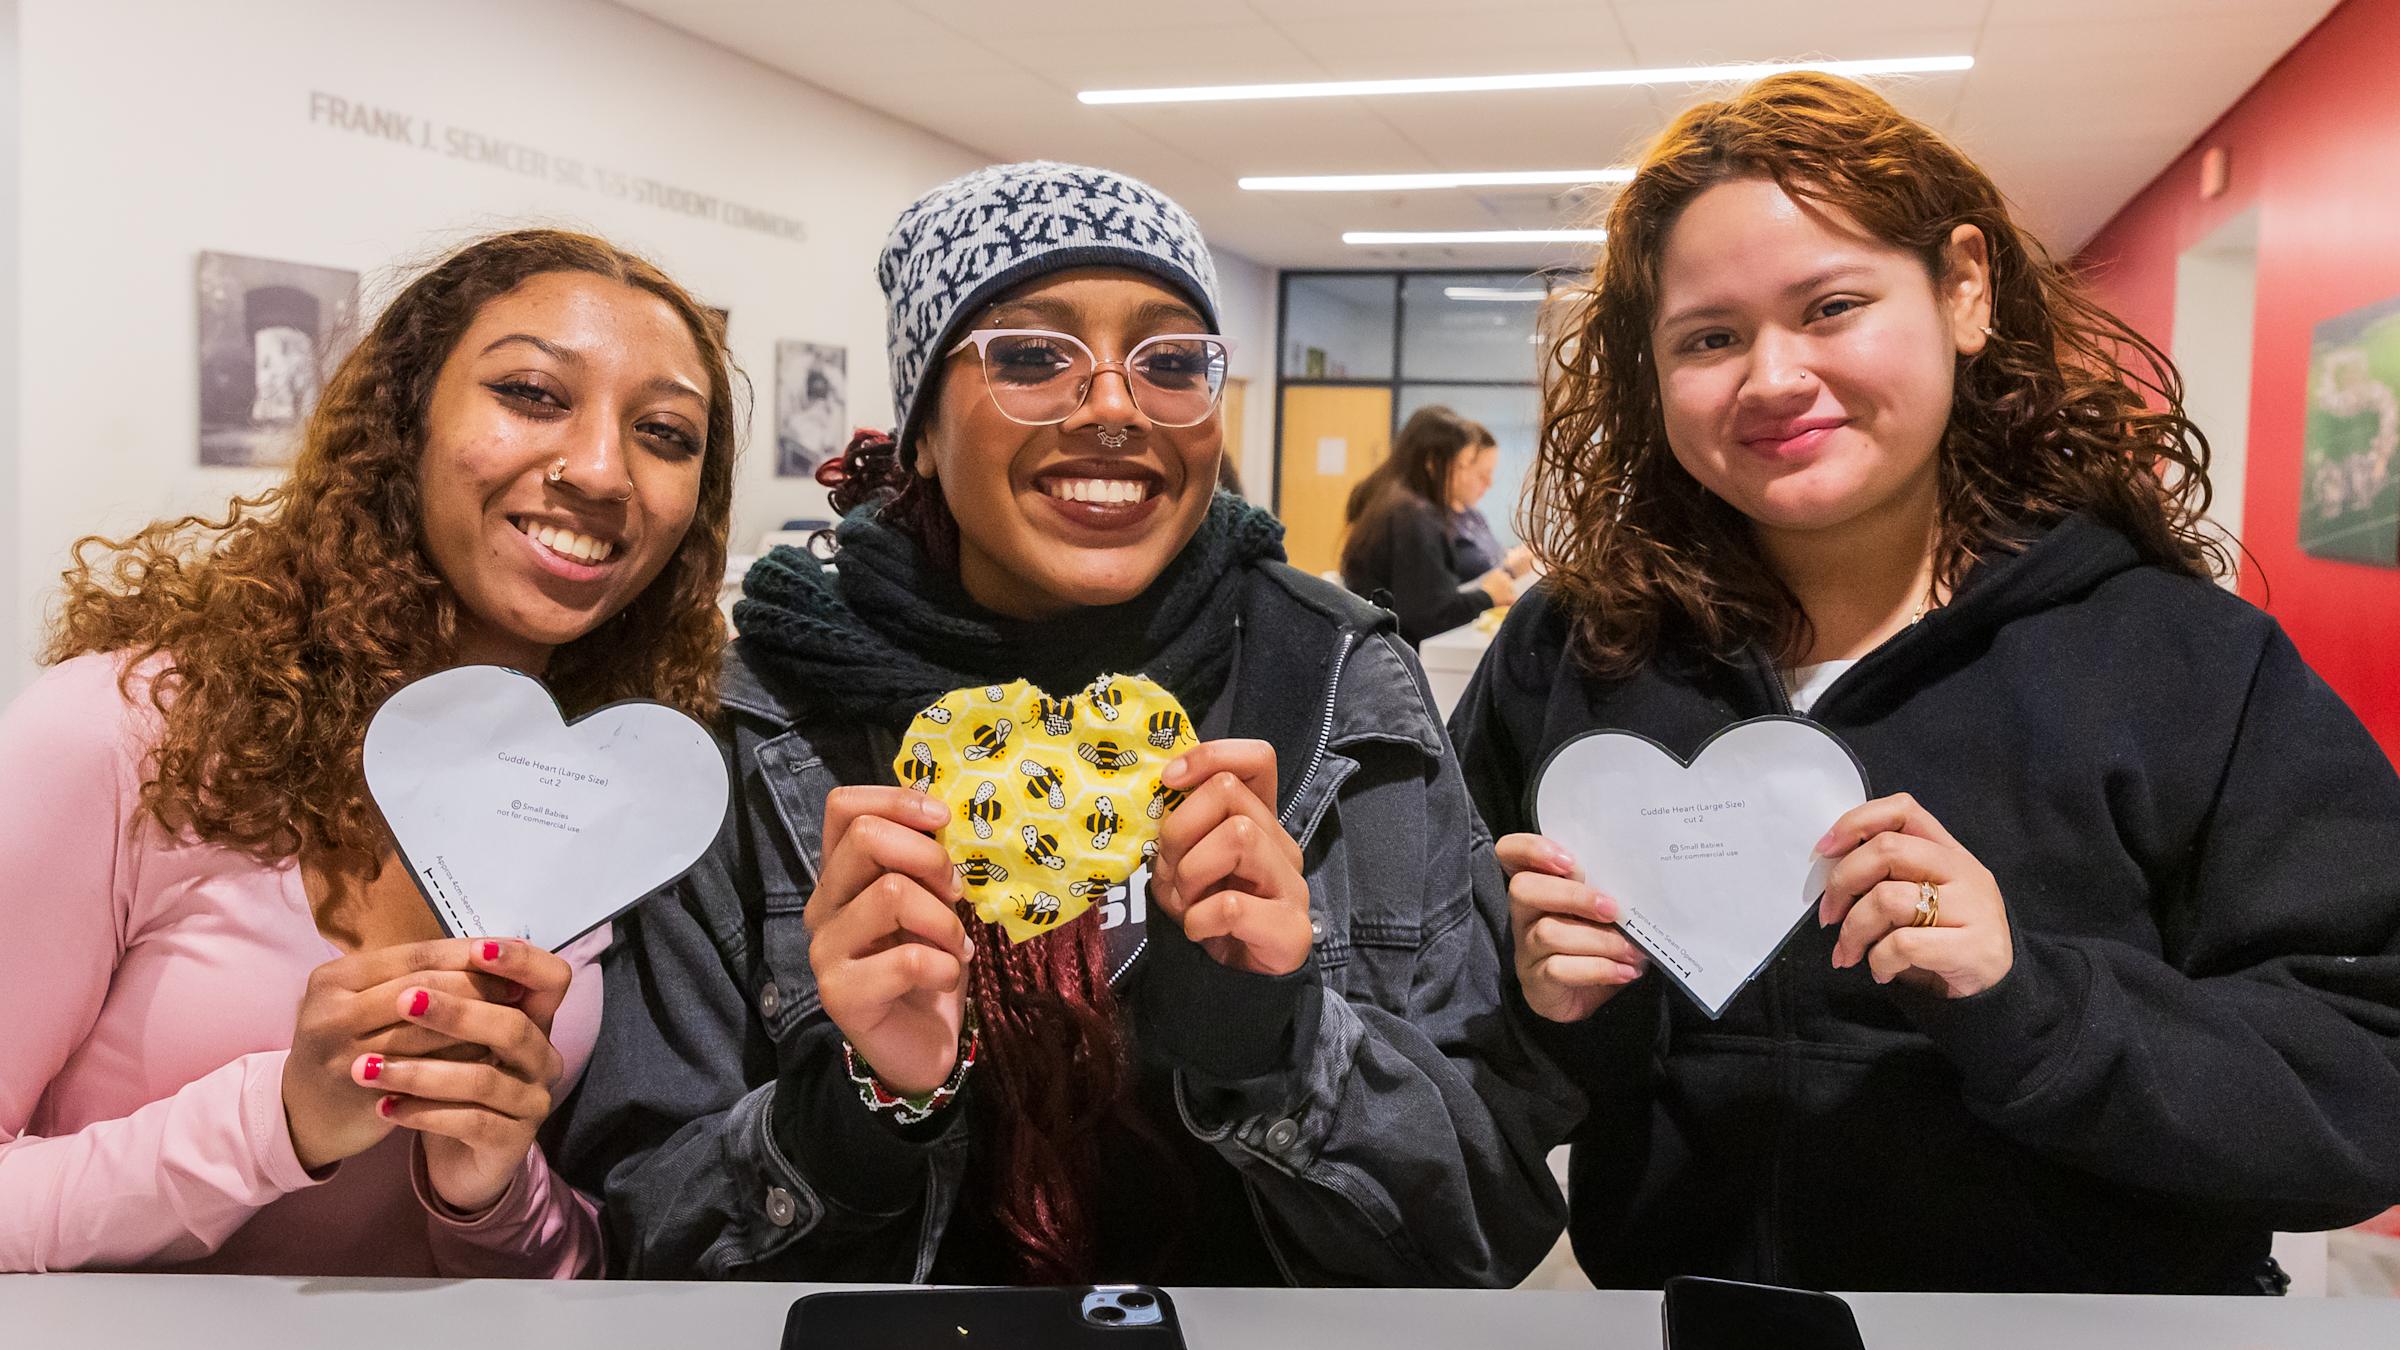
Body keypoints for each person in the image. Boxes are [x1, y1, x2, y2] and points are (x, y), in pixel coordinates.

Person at [1450, 73, 2400, 1294]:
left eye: (1832, 306)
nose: (1772, 378)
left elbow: (2365, 1087)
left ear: (1963, 288)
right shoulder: (1576, 653)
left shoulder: (2184, 662)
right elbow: (1450, 1029)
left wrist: (2030, 998)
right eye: (1709, 337)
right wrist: (1556, 1011)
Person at [556, 161, 1572, 1286]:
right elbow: (639, 1228)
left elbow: (1491, 1218)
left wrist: (1276, 1047)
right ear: (923, 431)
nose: (1113, 406)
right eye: (1032, 358)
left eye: (1170, 362)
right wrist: (856, 1108)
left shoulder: (1337, 687)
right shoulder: (763, 715)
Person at [0, 228, 737, 1276]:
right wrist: (281, 1119)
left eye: (666, 432)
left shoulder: (611, 808)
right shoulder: (124, 732)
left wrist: (487, 1191)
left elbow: (558, 1278)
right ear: (405, 421)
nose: (603, 470)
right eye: (532, 392)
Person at [1340, 406, 1531, 644]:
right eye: (1461, 465)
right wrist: (1487, 596)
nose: (1464, 474)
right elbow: (1429, 616)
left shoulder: (1392, 501)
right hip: (1396, 651)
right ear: (1432, 463)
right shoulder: (1413, 517)